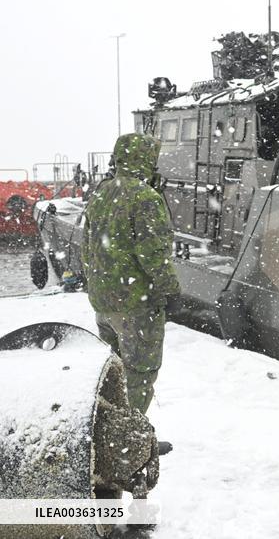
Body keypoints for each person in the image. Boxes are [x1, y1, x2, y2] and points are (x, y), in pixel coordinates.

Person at [81, 133, 179, 425]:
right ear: (145, 159)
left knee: (112, 373)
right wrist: (171, 291)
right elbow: (153, 254)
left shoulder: (101, 193)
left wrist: (98, 286)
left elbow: (87, 247)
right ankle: (126, 443)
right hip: (136, 304)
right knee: (139, 374)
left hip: (105, 303)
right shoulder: (145, 197)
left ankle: (105, 435)